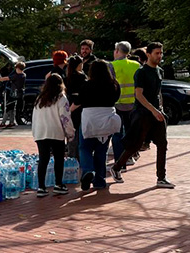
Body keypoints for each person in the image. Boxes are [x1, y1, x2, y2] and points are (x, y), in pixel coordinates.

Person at [111, 42, 175, 189]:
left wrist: (161, 110)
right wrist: (153, 110)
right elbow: (139, 95)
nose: (159, 56)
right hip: (143, 114)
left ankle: (161, 177)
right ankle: (116, 167)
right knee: (136, 144)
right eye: (156, 53)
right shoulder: (141, 72)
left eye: (161, 53)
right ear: (148, 54)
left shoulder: (159, 71)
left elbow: (158, 92)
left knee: (162, 144)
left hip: (157, 113)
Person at [75, 60, 121, 190]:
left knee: (85, 148)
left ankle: (88, 171)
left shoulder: (86, 85)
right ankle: (100, 181)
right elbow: (116, 98)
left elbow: (80, 100)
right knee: (101, 150)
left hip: (89, 119)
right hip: (107, 118)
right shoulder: (114, 85)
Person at [31, 73, 75, 197]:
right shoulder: (61, 98)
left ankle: (41, 187)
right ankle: (58, 184)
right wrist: (70, 133)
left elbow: (34, 118)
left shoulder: (40, 98)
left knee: (43, 159)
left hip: (40, 132)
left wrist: (35, 132)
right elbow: (65, 118)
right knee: (59, 159)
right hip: (56, 132)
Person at [111, 41, 141, 165]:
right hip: (133, 103)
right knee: (130, 131)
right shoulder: (136, 65)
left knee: (117, 133)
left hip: (117, 103)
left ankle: (120, 161)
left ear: (117, 51)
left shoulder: (112, 65)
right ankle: (130, 156)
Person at [65, 55, 87, 156]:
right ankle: (78, 155)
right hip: (79, 105)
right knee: (79, 131)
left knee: (71, 130)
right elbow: (83, 94)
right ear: (79, 64)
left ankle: (71, 153)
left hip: (69, 102)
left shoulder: (67, 76)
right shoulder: (82, 76)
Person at [8, 62, 27, 126]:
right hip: (20, 93)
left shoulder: (17, 76)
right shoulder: (23, 75)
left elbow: (7, 78)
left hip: (15, 94)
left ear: (18, 68)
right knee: (19, 107)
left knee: (12, 107)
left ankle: (15, 120)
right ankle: (17, 120)